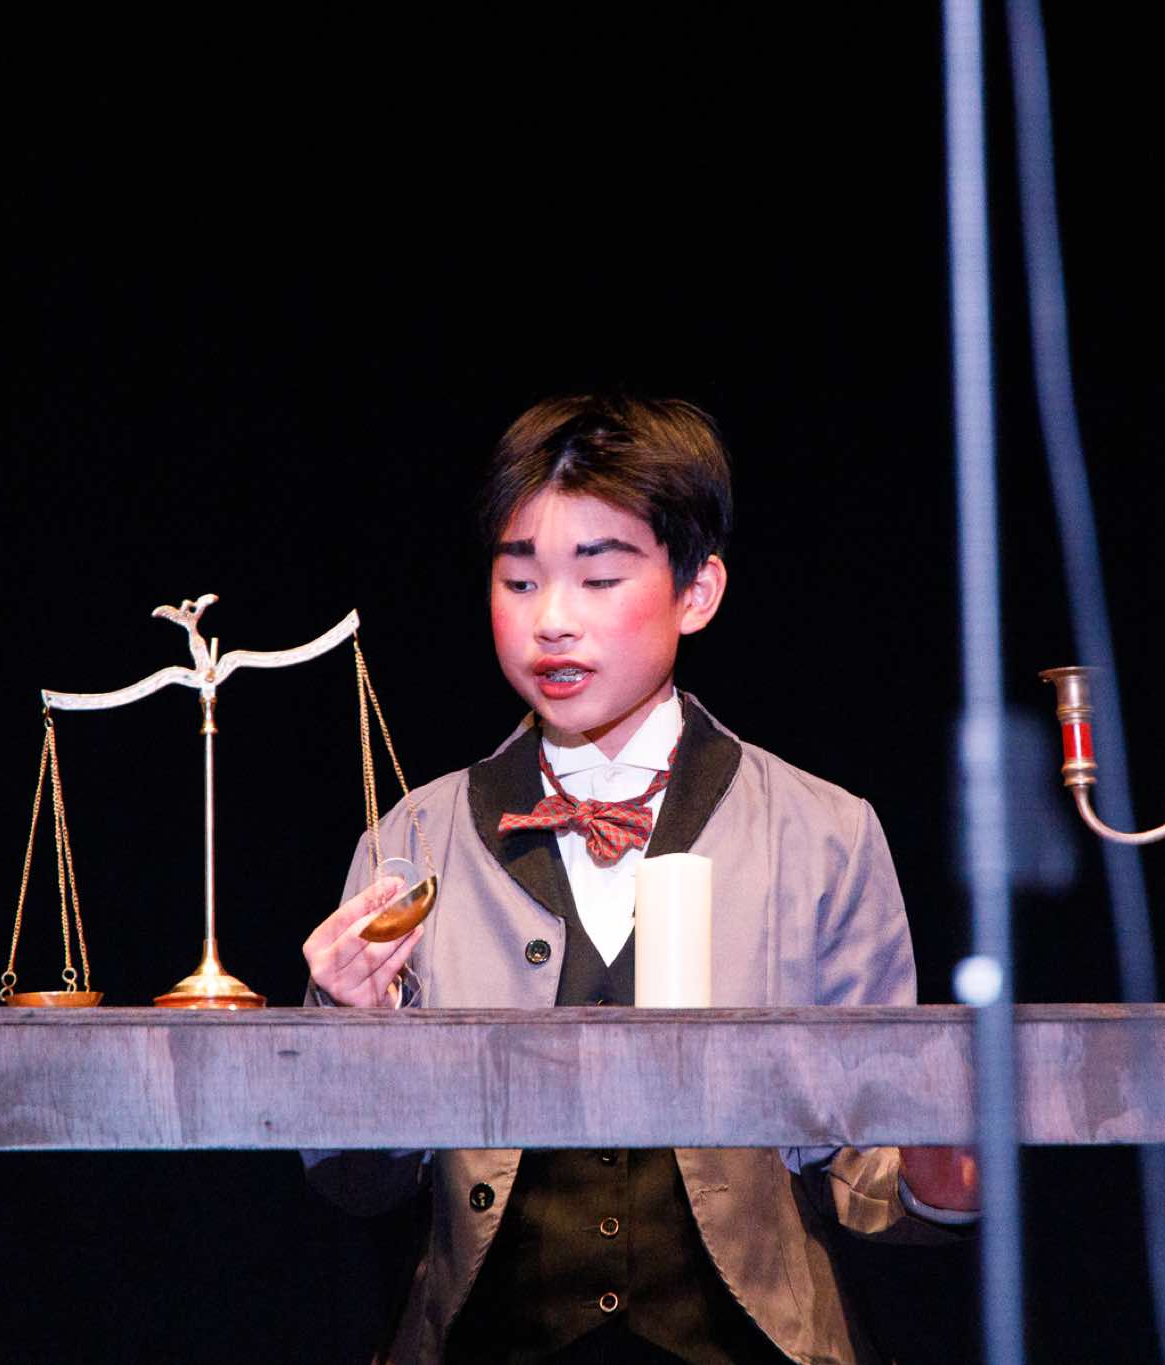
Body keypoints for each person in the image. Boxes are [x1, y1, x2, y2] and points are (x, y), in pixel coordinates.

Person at [302, 394, 976, 1364]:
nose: (552, 621)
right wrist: (346, 1030)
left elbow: (864, 1166)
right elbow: (356, 1181)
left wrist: (938, 1178)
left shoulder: (823, 833)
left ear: (696, 592)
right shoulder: (411, 841)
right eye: (519, 580)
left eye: (599, 577)